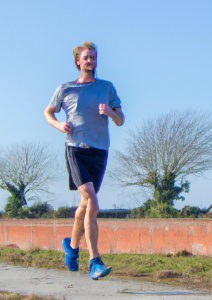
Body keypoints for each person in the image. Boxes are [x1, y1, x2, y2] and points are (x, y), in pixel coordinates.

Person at [44, 41, 125, 280]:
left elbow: (121, 120)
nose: (90, 61)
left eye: (93, 57)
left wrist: (110, 113)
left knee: (84, 204)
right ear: (78, 61)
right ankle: (95, 261)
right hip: (75, 148)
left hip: (100, 151)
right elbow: (48, 112)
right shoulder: (65, 88)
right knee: (92, 200)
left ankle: (72, 244)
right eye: (85, 57)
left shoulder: (107, 87)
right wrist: (59, 125)